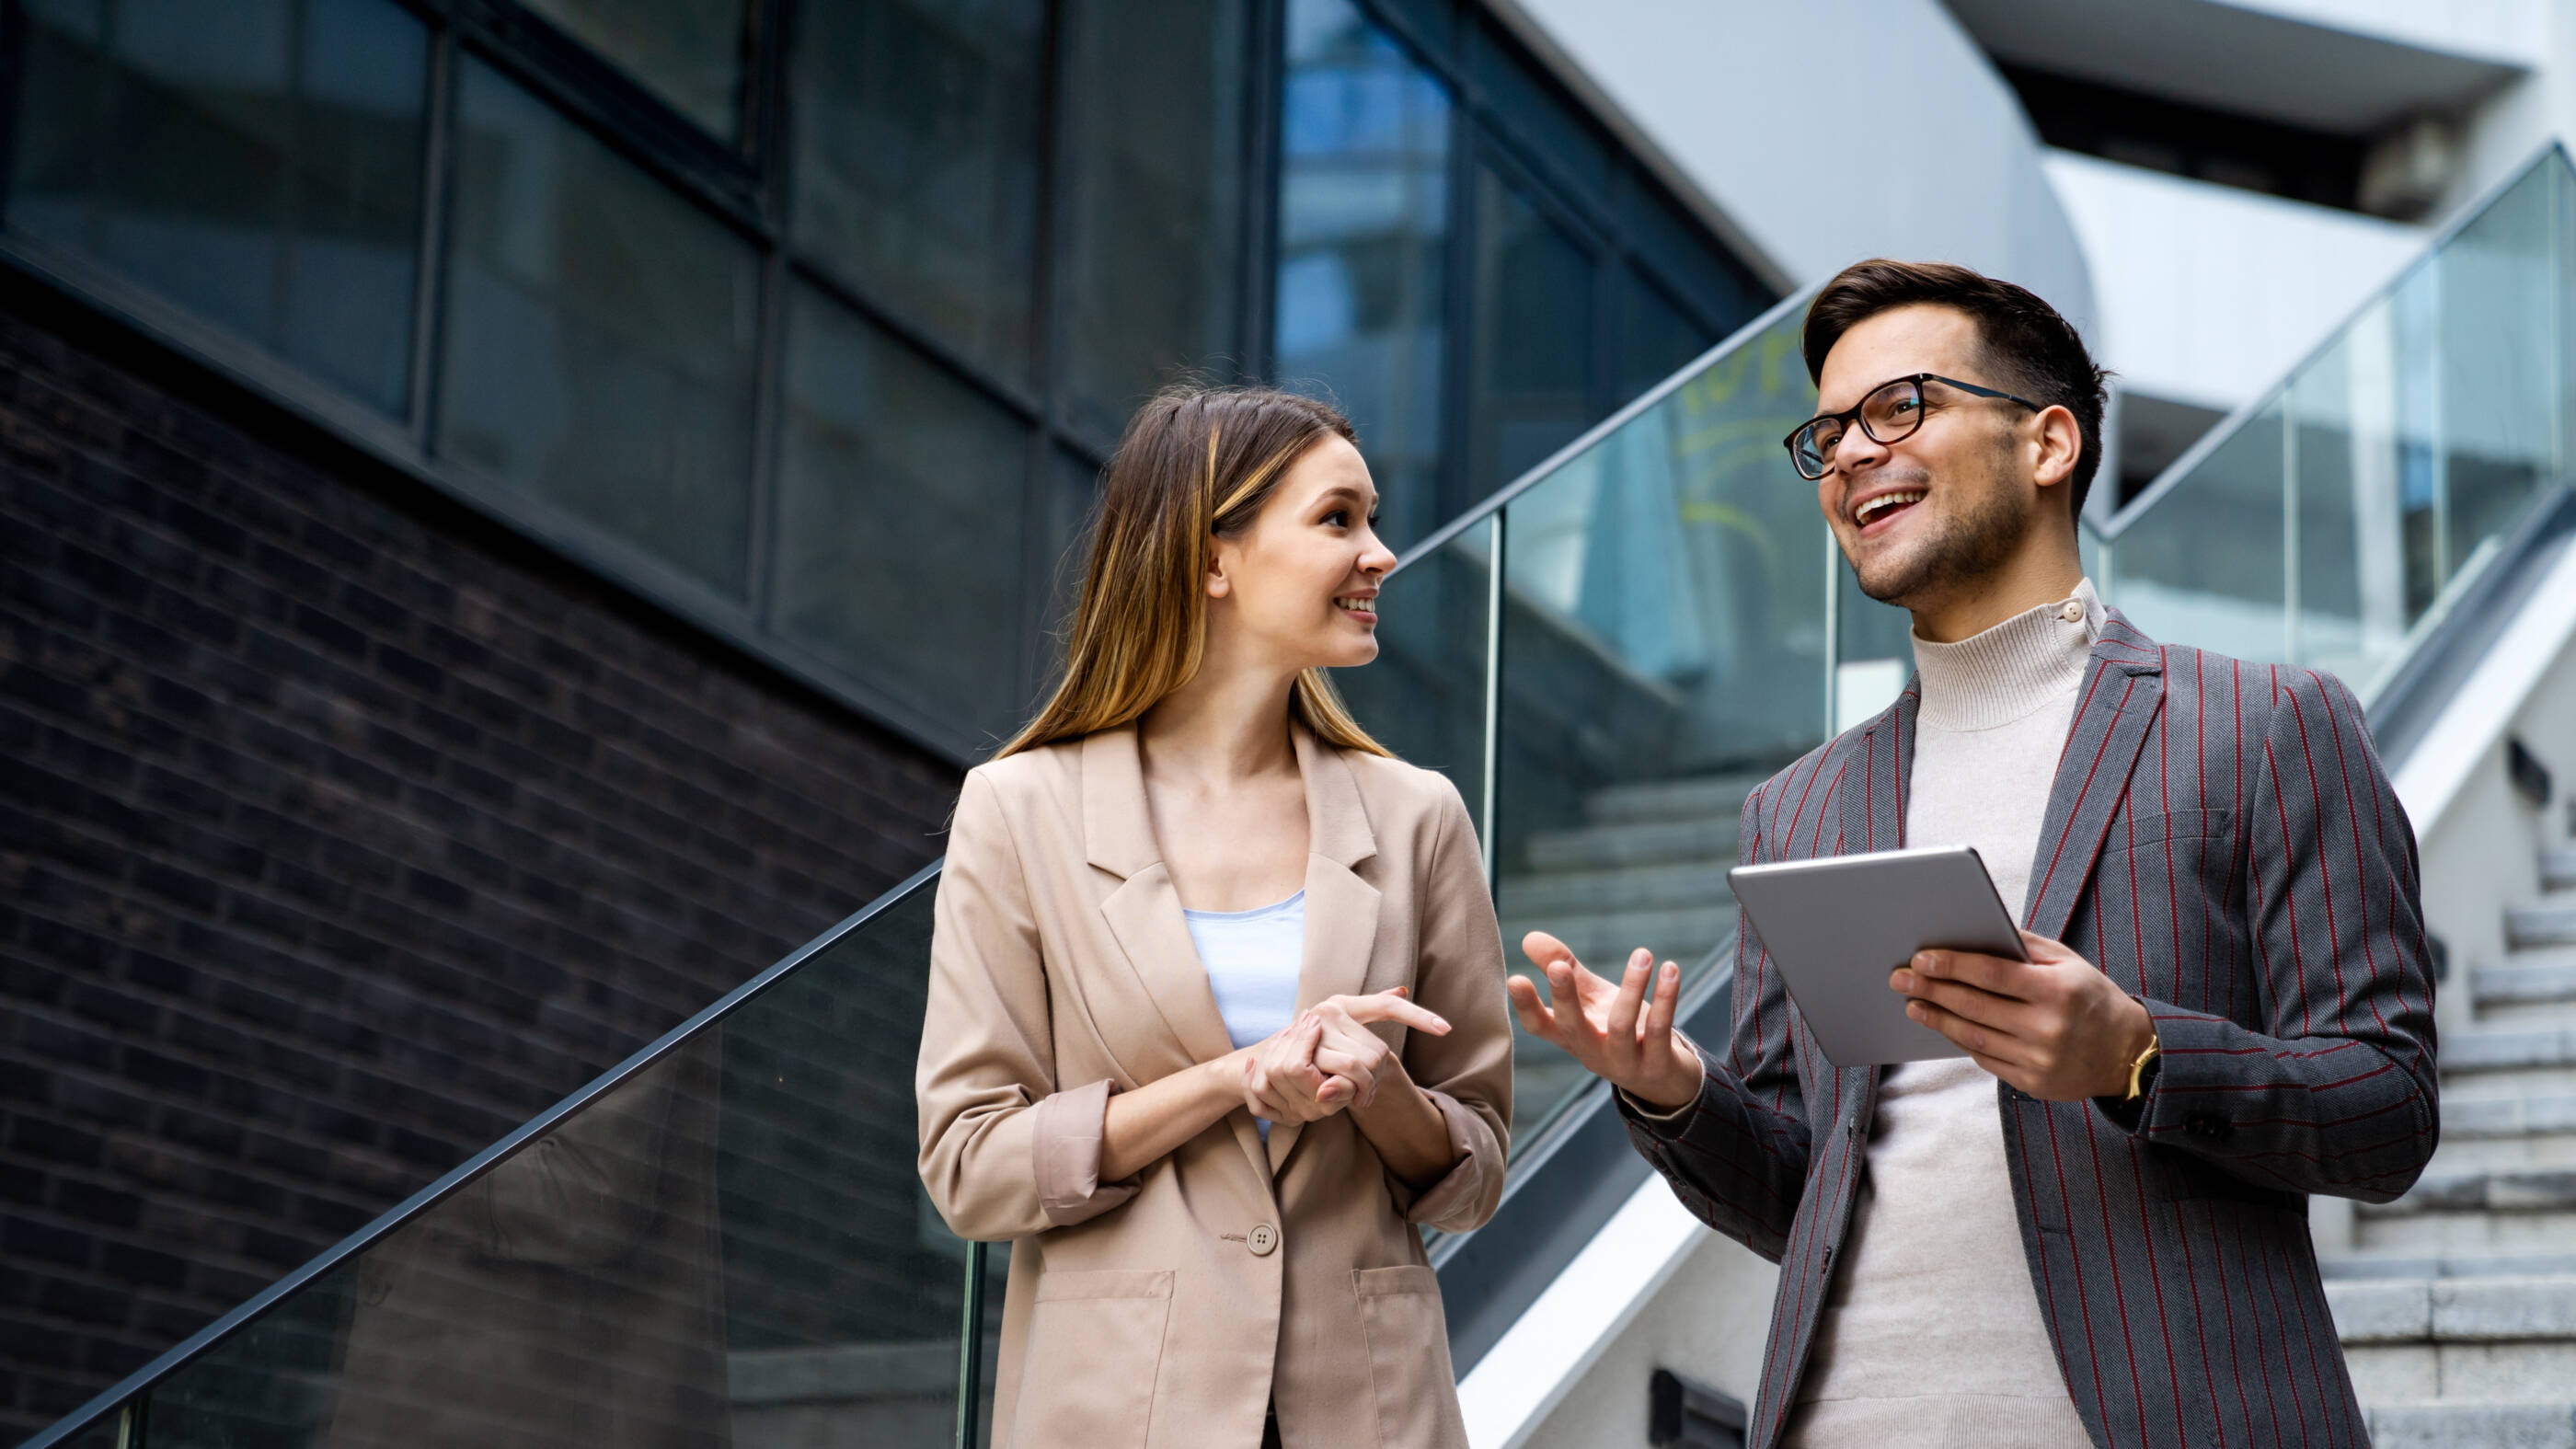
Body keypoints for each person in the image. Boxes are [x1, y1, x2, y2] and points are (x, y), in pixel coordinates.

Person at [1512, 260, 2437, 1449]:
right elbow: (1805, 1192)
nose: (1847, 453)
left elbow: (2387, 1108)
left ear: (2048, 444)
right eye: (1828, 431)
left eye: (1901, 407)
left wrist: (2141, 1055)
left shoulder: (2266, 726)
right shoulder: (1799, 807)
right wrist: (1672, 1089)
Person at [915, 384, 1512, 1449]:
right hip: (1114, 1409)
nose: (1379, 554)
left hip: (1367, 1411)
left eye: (1373, 520)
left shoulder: (1417, 816)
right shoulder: (1019, 812)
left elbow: (1475, 1172)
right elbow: (969, 1167)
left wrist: (1378, 1095)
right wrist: (1231, 1080)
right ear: (1211, 559)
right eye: (1338, 520)